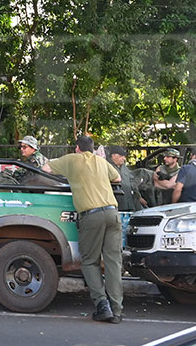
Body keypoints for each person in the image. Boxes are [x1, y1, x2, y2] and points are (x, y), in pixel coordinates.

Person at [42, 136, 123, 324]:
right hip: (112, 213)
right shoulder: (101, 161)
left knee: (89, 261)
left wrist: (70, 175)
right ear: (92, 149)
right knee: (113, 262)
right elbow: (117, 177)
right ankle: (117, 310)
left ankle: (102, 305)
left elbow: (46, 168)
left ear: (77, 148)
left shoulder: (71, 159)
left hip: (91, 215)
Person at [108, 146, 144, 211]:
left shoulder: (124, 168)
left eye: (124, 156)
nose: (124, 158)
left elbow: (131, 182)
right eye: (121, 156)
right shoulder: (107, 167)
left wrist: (138, 197)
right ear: (113, 156)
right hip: (116, 206)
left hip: (129, 204)